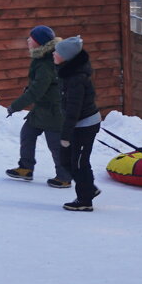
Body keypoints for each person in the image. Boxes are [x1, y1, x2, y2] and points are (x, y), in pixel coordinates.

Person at [5, 26, 72, 188]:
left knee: (55, 145)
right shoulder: (42, 58)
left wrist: (15, 106)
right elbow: (40, 86)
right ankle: (26, 168)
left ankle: (64, 177)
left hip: (53, 111)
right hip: (41, 109)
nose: (28, 40)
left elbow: (37, 91)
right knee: (27, 134)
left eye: (31, 39)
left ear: (39, 43)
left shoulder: (45, 64)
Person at [55, 35, 102, 211]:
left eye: (57, 52)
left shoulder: (77, 78)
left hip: (85, 124)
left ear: (67, 57)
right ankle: (88, 188)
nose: (54, 54)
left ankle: (85, 201)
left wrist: (66, 135)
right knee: (65, 160)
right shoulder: (67, 70)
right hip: (76, 123)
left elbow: (74, 109)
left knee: (80, 163)